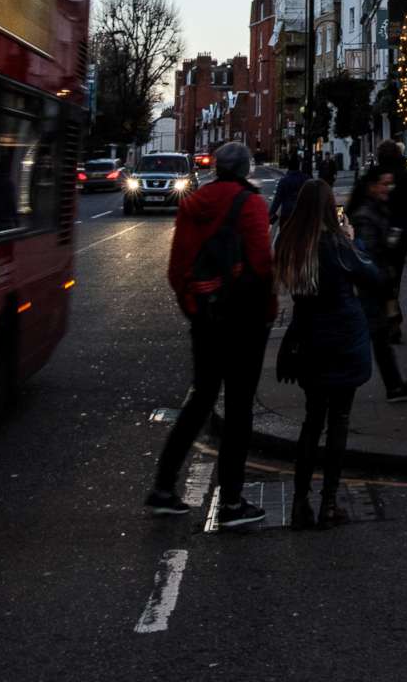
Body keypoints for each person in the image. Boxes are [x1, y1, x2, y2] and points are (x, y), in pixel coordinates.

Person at [148, 141, 274, 527]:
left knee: (201, 398)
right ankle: (232, 502)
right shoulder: (249, 204)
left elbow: (177, 269)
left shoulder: (193, 205)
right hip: (244, 321)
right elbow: (262, 263)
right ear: (245, 168)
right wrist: (267, 311)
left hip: (205, 319)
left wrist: (195, 308)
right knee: (238, 409)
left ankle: (164, 488)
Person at [273, 180, 383, 529]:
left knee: (311, 421)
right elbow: (372, 276)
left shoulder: (290, 244)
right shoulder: (337, 245)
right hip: (343, 340)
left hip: (309, 341)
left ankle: (300, 502)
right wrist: (355, 240)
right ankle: (329, 502)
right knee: (339, 421)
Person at [345, 165, 407, 402]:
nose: (389, 188)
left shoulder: (376, 209)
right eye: (384, 184)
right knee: (375, 336)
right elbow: (368, 254)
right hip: (370, 287)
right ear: (372, 186)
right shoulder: (366, 215)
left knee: (378, 337)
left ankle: (393, 384)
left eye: (390, 183)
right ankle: (392, 385)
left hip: (375, 285)